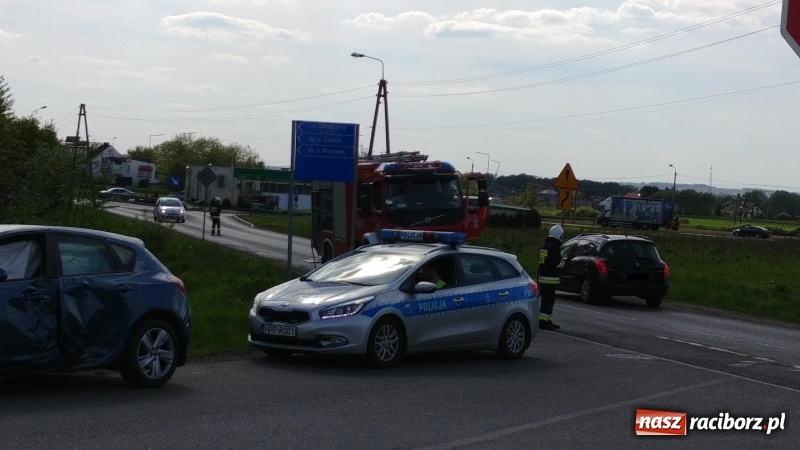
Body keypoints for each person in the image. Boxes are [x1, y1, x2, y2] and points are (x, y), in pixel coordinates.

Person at [537, 224, 566, 331]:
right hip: (550, 279)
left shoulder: (545, 246)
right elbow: (557, 263)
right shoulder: (554, 248)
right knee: (548, 301)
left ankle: (547, 320)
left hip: (543, 278)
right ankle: (543, 322)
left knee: (547, 301)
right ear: (560, 235)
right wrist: (564, 262)